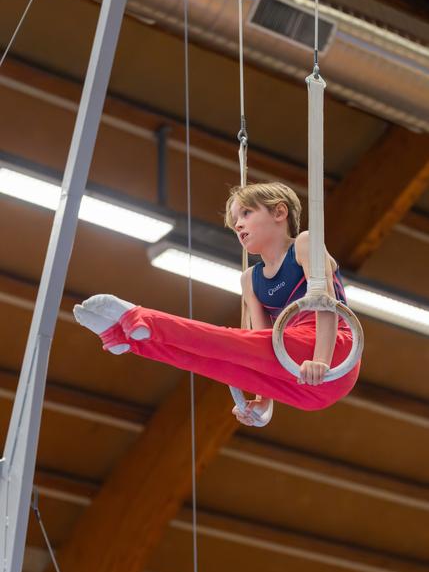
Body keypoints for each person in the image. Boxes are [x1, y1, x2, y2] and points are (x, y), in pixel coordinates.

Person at [74, 182, 360, 427]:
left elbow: (326, 305)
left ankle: (139, 317)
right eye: (235, 220)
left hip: (334, 351)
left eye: (246, 213)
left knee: (223, 344)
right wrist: (262, 404)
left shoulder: (305, 244)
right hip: (305, 384)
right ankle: (124, 337)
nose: (238, 224)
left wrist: (322, 360)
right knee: (216, 362)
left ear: (279, 212)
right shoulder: (250, 279)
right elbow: (261, 347)